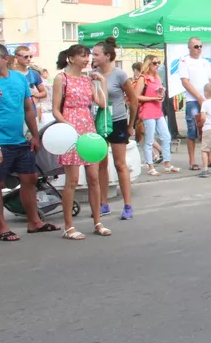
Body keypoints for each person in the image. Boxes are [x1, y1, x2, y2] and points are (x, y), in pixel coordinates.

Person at [0, 43, 60, 242]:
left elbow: (29, 109)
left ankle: (34, 222)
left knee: (29, 179)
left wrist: (35, 136)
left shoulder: (19, 79)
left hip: (20, 140)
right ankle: (2, 227)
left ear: (6, 59)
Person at [52, 45, 110, 239]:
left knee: (94, 177)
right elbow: (55, 109)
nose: (87, 59)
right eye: (82, 56)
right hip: (70, 131)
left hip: (88, 129)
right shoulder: (62, 78)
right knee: (73, 180)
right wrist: (69, 127)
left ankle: (98, 221)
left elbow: (102, 103)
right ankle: (69, 226)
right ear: (71, 58)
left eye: (88, 56)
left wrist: (101, 82)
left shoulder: (88, 79)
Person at [92, 37, 139, 221]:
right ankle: (103, 204)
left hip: (118, 120)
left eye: (96, 54)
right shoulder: (93, 74)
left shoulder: (119, 74)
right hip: (100, 121)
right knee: (101, 164)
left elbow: (133, 100)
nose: (92, 57)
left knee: (120, 164)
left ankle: (128, 205)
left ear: (107, 55)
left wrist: (131, 125)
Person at [135, 55, 178, 176]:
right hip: (148, 111)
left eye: (158, 63)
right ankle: (151, 166)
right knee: (149, 140)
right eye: (154, 63)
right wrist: (153, 98)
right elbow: (136, 96)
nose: (157, 65)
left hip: (158, 111)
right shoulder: (143, 78)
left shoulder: (157, 77)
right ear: (148, 64)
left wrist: (161, 94)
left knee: (166, 136)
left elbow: (159, 94)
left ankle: (167, 164)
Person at [177, 37, 211, 171]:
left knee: (208, 129)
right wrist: (199, 97)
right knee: (192, 129)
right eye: (196, 46)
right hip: (192, 100)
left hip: (206, 99)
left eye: (200, 46)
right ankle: (192, 161)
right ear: (189, 48)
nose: (199, 49)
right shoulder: (184, 61)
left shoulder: (205, 62)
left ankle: (210, 159)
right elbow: (185, 82)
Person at [12, 46, 46, 124]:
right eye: (26, 57)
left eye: (30, 56)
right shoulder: (11, 74)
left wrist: (34, 94)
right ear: (16, 57)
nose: (29, 59)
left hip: (31, 112)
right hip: (16, 113)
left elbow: (44, 93)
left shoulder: (34, 74)